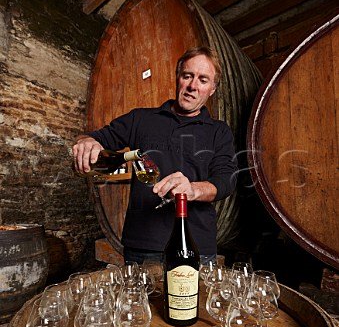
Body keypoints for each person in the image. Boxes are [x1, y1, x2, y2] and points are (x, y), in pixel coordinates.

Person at [72, 46, 238, 264]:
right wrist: (86, 143)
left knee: (192, 300)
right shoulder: (140, 119)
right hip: (142, 246)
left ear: (212, 89)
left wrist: (193, 189)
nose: (192, 86)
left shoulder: (219, 131)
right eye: (187, 76)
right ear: (178, 78)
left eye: (203, 80)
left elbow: (226, 179)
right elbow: (93, 137)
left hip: (197, 245)